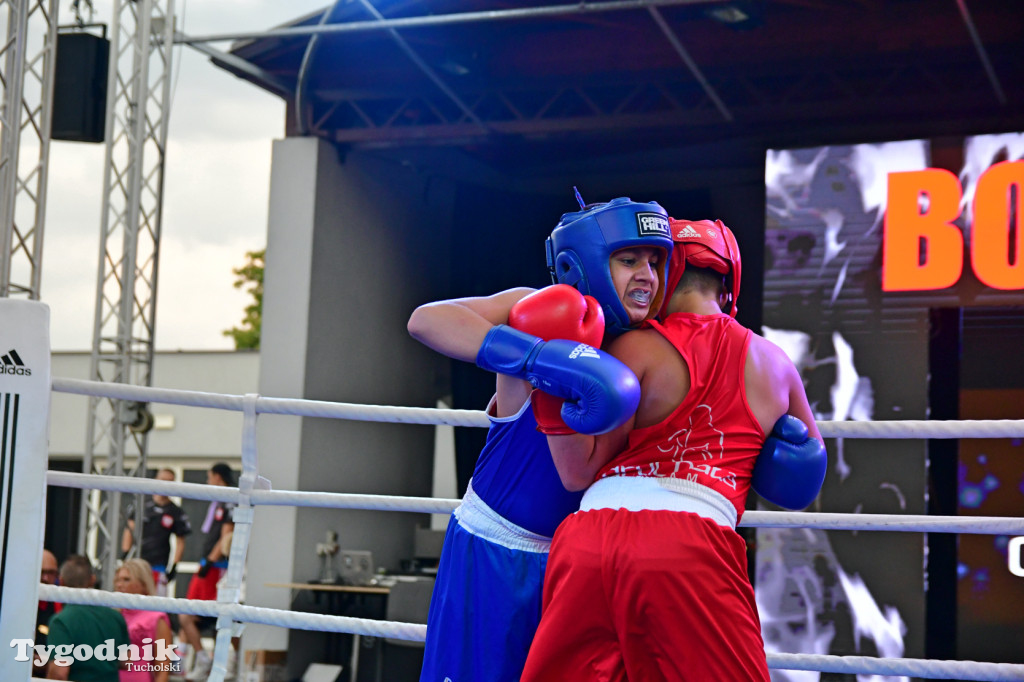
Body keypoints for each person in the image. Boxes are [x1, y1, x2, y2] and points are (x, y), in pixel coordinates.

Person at [520, 218, 827, 681]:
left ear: (665, 276)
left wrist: (547, 383)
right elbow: (805, 478)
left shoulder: (632, 349)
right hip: (689, 544)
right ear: (729, 286)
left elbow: (577, 474)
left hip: (589, 538)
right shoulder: (775, 363)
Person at [406, 196, 672, 682]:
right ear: (583, 261)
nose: (647, 276)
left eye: (654, 262)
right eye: (629, 260)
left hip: (578, 564)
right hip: (491, 550)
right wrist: (535, 357)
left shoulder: (641, 351)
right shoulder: (532, 311)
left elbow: (582, 473)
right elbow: (425, 320)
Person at [179, 463, 235, 681]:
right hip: (207, 566)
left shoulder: (229, 501)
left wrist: (211, 561)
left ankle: (225, 664)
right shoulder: (219, 500)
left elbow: (226, 536)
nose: (207, 481)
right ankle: (196, 662)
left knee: (222, 618)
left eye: (209, 477)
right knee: (186, 615)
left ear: (218, 477)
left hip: (217, 569)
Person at [45, 555, 130, 682]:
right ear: (92, 580)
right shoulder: (116, 616)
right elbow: (126, 661)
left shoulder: (61, 621)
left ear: (61, 581)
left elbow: (59, 673)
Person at [121, 469, 192, 596]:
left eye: (170, 481)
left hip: (158, 565)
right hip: (137, 563)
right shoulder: (142, 504)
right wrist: (125, 554)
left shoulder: (176, 512)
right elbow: (129, 529)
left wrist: (174, 566)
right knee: (131, 600)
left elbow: (180, 542)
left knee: (155, 603)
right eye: (163, 480)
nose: (166, 484)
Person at [114, 559, 175, 682]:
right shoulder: (113, 615)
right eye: (118, 580)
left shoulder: (157, 617)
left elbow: (163, 671)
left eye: (126, 580)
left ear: (144, 584)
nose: (119, 585)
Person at [34, 549, 62, 677]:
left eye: (50, 573)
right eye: (41, 572)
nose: (45, 578)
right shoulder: (15, 602)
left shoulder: (60, 604)